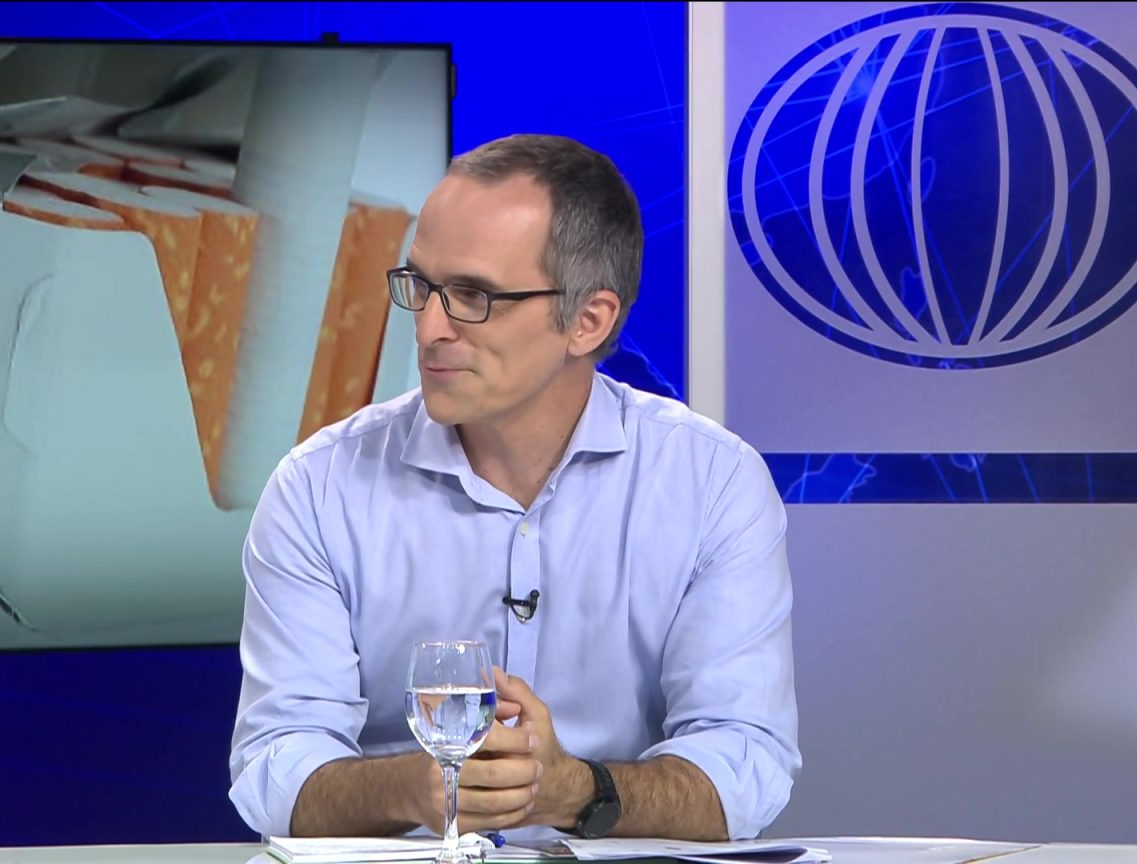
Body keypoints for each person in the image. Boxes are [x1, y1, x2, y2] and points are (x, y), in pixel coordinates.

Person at [227, 133, 799, 843]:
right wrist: (416, 788)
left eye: (473, 296)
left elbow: (745, 768)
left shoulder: (710, 483)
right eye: (420, 286)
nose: (429, 328)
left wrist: (576, 791)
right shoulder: (320, 487)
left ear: (587, 321)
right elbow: (273, 768)